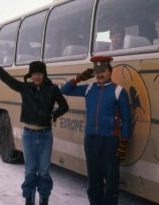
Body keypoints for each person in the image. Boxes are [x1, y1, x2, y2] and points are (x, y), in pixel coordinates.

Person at [0, 54, 69, 205]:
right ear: (31, 75)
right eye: (34, 74)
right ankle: (29, 201)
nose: (36, 77)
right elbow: (8, 80)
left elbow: (64, 106)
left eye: (39, 73)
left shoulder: (52, 89)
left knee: (43, 172)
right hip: (29, 135)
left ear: (44, 74)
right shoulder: (25, 88)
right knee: (30, 171)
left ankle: (44, 200)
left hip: (45, 136)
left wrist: (53, 115)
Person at [61, 56, 131, 205]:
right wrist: (79, 77)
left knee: (112, 180)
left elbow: (126, 120)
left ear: (110, 72)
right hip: (91, 140)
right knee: (94, 180)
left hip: (110, 141)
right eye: (97, 71)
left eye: (103, 71)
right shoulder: (89, 88)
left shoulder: (118, 91)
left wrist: (124, 142)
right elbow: (65, 89)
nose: (99, 74)